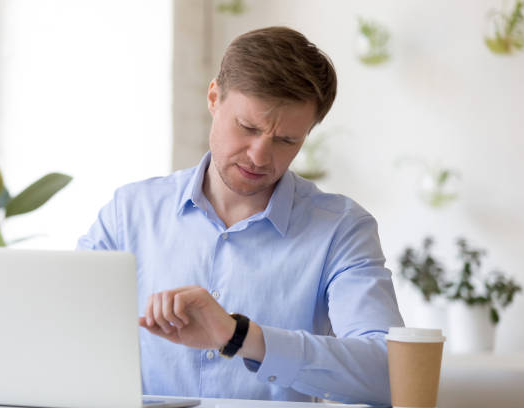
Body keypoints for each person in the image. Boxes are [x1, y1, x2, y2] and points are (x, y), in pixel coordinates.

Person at [77, 26, 404, 405]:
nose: (259, 156)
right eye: (247, 127)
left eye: (286, 141)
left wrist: (240, 337)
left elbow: (388, 372)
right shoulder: (129, 212)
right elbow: (63, 327)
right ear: (214, 97)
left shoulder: (341, 229)